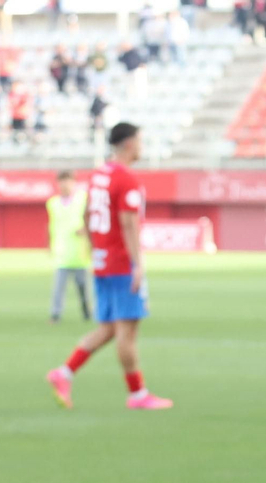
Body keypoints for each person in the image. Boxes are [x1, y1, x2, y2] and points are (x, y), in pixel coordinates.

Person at [45, 123, 172, 410]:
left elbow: (89, 213)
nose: (142, 147)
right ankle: (138, 394)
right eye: (140, 141)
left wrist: (94, 250)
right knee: (127, 331)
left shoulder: (99, 174)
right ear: (128, 144)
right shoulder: (126, 179)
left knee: (109, 328)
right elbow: (128, 223)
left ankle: (64, 373)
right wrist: (137, 264)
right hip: (120, 263)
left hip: (103, 261)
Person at [47, 170, 92, 323]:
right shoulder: (53, 203)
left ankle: (87, 312)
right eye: (62, 181)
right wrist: (50, 244)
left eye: (68, 181)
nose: (65, 185)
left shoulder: (83, 199)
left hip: (80, 251)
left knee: (83, 287)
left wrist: (86, 230)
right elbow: (52, 225)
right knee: (58, 287)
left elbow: (91, 218)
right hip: (62, 251)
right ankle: (55, 314)